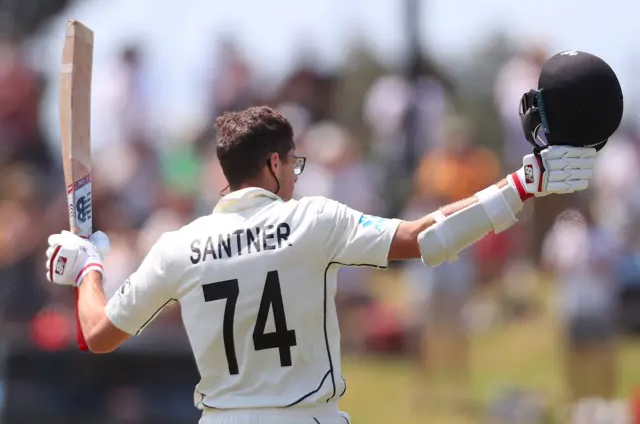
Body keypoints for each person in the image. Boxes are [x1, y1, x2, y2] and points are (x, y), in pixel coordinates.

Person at [44, 50, 621, 423]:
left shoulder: (177, 246)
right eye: (293, 165)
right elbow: (424, 239)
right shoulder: (312, 220)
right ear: (272, 165)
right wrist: (523, 186)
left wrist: (88, 268)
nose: (296, 177)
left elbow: (96, 334)